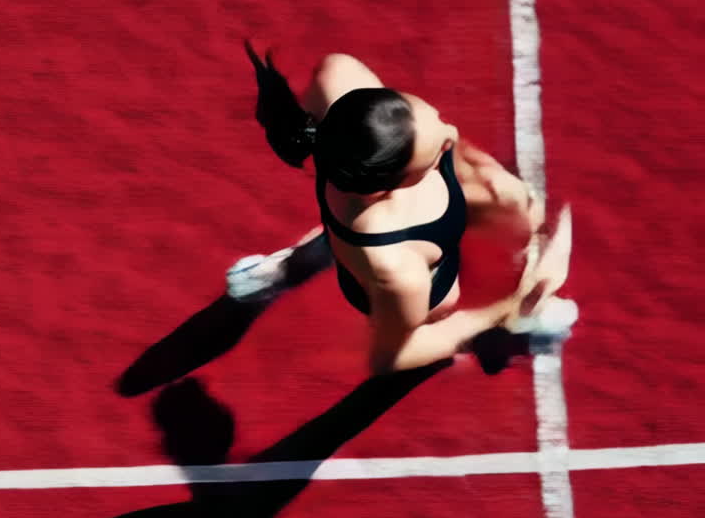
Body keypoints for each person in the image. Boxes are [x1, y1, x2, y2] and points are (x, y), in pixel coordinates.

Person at [228, 47, 577, 374]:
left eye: (429, 116)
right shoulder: (401, 272)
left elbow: (448, 148)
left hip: (363, 219)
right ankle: (504, 334)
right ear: (396, 183)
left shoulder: (340, 79)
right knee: (453, 297)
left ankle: (294, 264)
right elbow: (389, 358)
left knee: (498, 193)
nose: (449, 131)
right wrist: (505, 310)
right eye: (435, 150)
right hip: (410, 280)